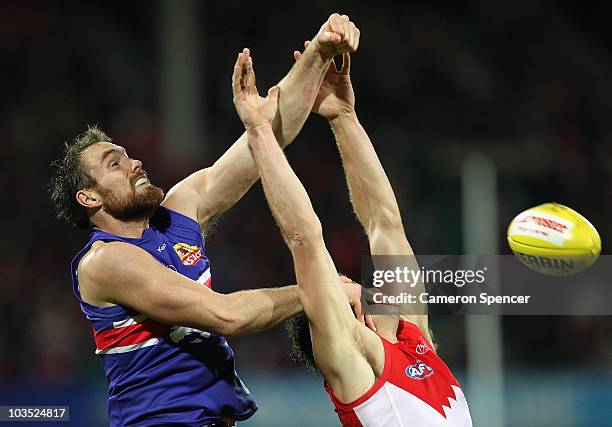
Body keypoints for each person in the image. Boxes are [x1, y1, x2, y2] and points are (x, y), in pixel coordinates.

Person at [49, 14, 363, 427]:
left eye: (128, 154)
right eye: (115, 162)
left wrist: (319, 53)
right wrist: (319, 291)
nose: (135, 162)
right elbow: (224, 315)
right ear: (88, 197)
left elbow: (266, 139)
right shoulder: (105, 262)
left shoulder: (178, 210)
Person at [232, 40, 473, 426]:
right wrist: (260, 131)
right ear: (345, 317)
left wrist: (344, 117)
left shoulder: (416, 342)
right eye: (347, 285)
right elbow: (305, 239)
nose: (362, 284)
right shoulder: (353, 370)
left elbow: (384, 222)